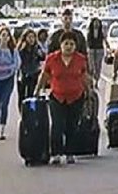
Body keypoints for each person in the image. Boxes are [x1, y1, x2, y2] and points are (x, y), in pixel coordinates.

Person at [35, 31, 89, 165]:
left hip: (76, 97)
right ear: (61, 45)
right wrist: (37, 90)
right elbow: (44, 75)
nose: (69, 46)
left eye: (72, 44)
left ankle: (70, 153)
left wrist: (89, 91)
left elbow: (84, 77)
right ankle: (56, 153)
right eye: (66, 43)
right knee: (57, 125)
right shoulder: (52, 58)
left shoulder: (80, 59)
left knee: (72, 126)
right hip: (57, 97)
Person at [16, 29, 44, 111]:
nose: (31, 39)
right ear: (25, 38)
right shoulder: (21, 48)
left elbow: (43, 57)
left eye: (33, 37)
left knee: (31, 95)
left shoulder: (37, 47)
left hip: (34, 73)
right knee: (22, 95)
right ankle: (22, 112)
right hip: (23, 74)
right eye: (29, 37)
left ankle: (31, 112)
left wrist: (39, 53)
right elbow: (18, 61)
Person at [86, 18, 110, 89]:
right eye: (95, 23)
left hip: (99, 49)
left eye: (98, 23)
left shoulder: (101, 32)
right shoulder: (89, 32)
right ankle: (91, 82)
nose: (96, 24)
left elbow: (105, 40)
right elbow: (87, 42)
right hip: (91, 50)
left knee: (98, 66)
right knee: (91, 66)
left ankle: (96, 81)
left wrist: (108, 47)